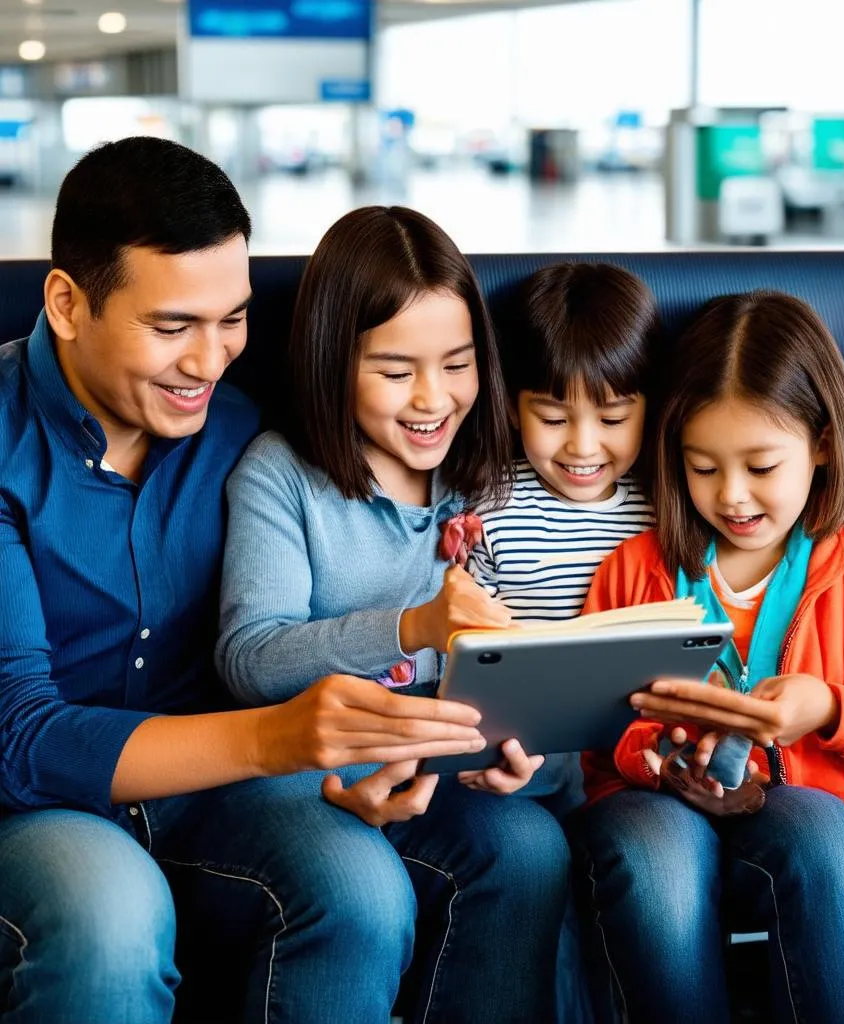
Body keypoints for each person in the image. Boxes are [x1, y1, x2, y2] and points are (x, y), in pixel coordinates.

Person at [0, 139, 491, 1024]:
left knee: (363, 893)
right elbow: (21, 738)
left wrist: (358, 755)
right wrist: (279, 740)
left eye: (232, 319)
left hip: (213, 796)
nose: (211, 360)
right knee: (109, 918)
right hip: (35, 807)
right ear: (68, 304)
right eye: (172, 326)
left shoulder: (241, 429)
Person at [571, 291, 844, 1023]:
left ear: (820, 443)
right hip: (700, 817)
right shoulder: (637, 572)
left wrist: (832, 707)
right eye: (703, 467)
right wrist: (661, 752)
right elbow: (600, 731)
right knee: (821, 837)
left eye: (760, 466)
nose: (733, 496)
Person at [215, 205, 572, 1023]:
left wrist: (529, 762)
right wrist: (412, 625)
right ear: (333, 363)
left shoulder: (488, 479)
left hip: (437, 781)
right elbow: (250, 659)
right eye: (395, 370)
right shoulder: (282, 477)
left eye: (457, 364)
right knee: (360, 890)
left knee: (529, 847)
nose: (432, 398)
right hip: (299, 781)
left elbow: (536, 682)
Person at [465, 261, 658, 814]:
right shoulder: (489, 508)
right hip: (524, 767)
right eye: (552, 418)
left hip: (637, 768)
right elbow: (466, 651)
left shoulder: (663, 506)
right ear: (510, 406)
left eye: (614, 419)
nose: (583, 447)